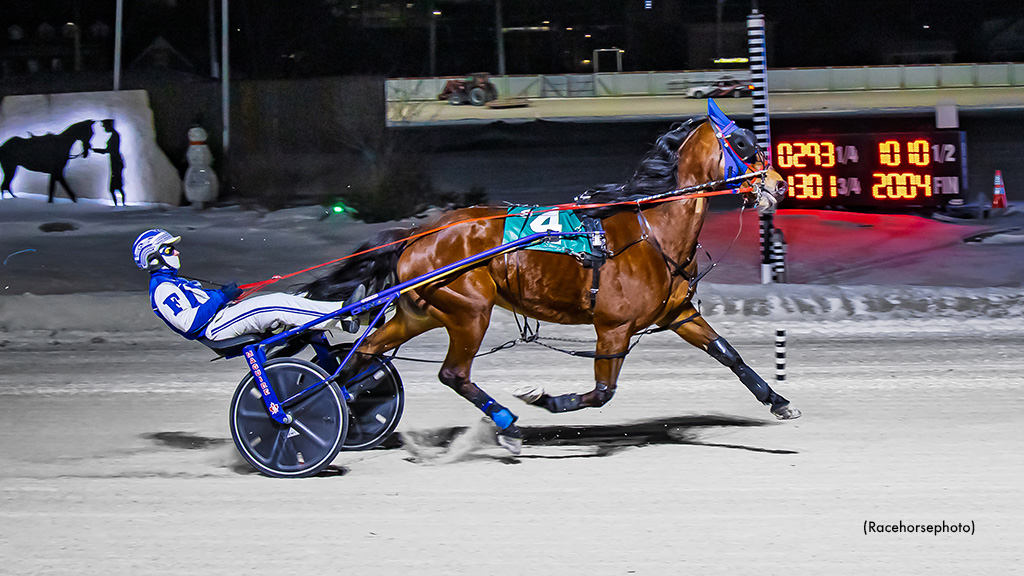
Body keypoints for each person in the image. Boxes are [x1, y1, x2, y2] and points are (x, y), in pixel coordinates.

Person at [133, 229, 363, 342]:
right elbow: (189, 324)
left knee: (292, 297)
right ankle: (342, 311)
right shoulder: (163, 289)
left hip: (222, 317)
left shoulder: (173, 282)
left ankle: (344, 317)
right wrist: (221, 297)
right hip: (214, 328)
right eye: (170, 249)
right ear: (154, 258)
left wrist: (227, 296)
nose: (176, 252)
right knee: (275, 304)